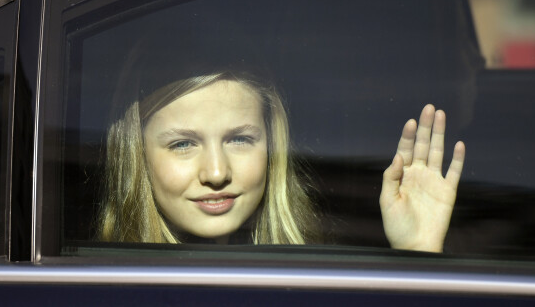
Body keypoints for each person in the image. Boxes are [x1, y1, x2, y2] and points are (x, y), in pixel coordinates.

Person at [99, 72, 465, 252]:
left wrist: (418, 253)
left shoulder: (313, 276)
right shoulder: (96, 288)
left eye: (240, 139)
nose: (216, 173)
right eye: (182, 144)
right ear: (137, 154)